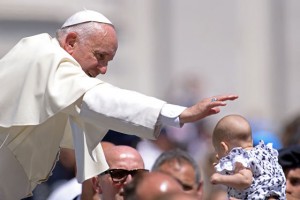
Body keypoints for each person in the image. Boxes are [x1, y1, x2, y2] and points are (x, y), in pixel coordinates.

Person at [0, 9, 238, 199]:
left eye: (109, 61)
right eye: (100, 56)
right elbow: (100, 99)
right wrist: (179, 114)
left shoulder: (52, 65)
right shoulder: (47, 58)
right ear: (71, 42)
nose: (103, 70)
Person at [210, 114, 286, 199]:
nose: (217, 156)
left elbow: (245, 180)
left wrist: (220, 178)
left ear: (224, 147)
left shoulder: (240, 158)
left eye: (217, 151)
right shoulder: (262, 154)